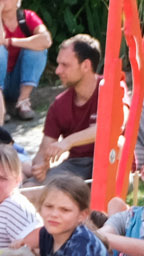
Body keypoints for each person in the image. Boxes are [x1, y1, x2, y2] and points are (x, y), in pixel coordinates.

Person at [31, 35, 105, 182]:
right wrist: (40, 164)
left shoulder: (111, 87)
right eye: (58, 64)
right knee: (28, 190)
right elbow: (44, 148)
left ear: (85, 66)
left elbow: (111, 127)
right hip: (75, 167)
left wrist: (68, 142)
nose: (58, 71)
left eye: (65, 65)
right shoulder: (59, 104)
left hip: (110, 164)